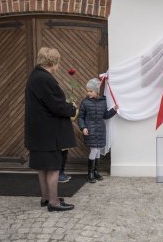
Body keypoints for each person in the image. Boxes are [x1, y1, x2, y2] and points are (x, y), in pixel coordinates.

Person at [24, 47, 76, 212]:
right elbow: (56, 106)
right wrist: (72, 108)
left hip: (39, 131)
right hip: (49, 132)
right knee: (53, 167)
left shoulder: (35, 76)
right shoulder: (46, 79)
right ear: (53, 63)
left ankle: (46, 197)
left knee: (43, 166)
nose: (58, 66)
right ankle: (53, 202)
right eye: (57, 63)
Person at [78, 78, 118, 183]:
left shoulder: (103, 102)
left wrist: (114, 110)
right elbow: (81, 117)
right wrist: (83, 127)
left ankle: (95, 172)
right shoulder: (85, 102)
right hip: (90, 130)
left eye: (91, 91)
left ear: (97, 91)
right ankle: (90, 173)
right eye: (88, 91)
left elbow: (105, 115)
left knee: (98, 151)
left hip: (100, 130)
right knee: (94, 150)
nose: (88, 93)